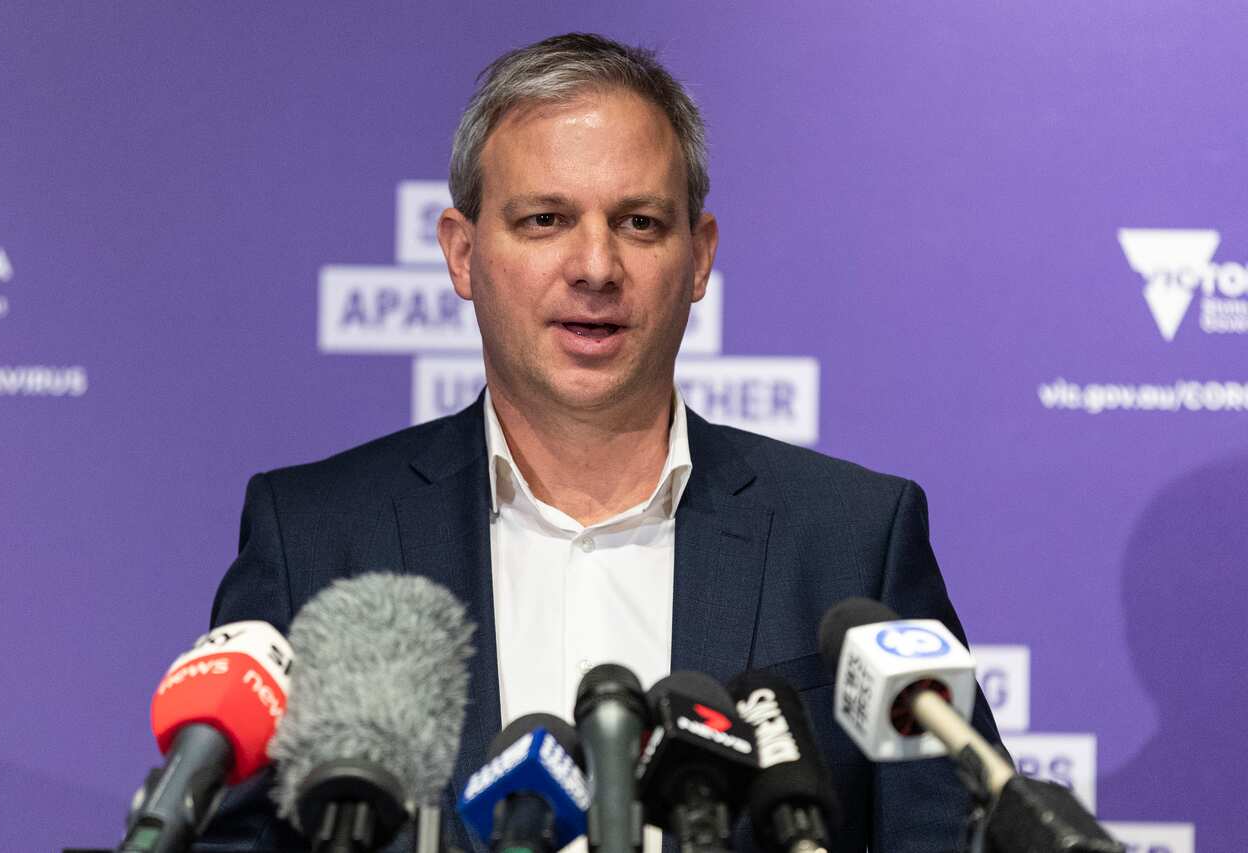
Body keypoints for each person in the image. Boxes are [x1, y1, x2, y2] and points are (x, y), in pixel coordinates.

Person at [203, 32, 1003, 853]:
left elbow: (951, 836)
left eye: (639, 223)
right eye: (545, 220)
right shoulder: (315, 538)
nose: (595, 265)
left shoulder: (851, 539)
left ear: (700, 257)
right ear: (463, 254)